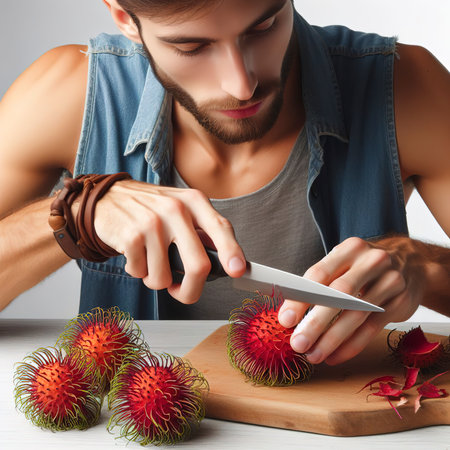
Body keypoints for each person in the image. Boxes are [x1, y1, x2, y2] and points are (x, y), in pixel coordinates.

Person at [0, 0, 448, 366]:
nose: (241, 84)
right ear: (124, 19)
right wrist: (76, 213)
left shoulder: (406, 87)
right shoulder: (66, 95)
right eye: (192, 47)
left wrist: (421, 270)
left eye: (265, 26)